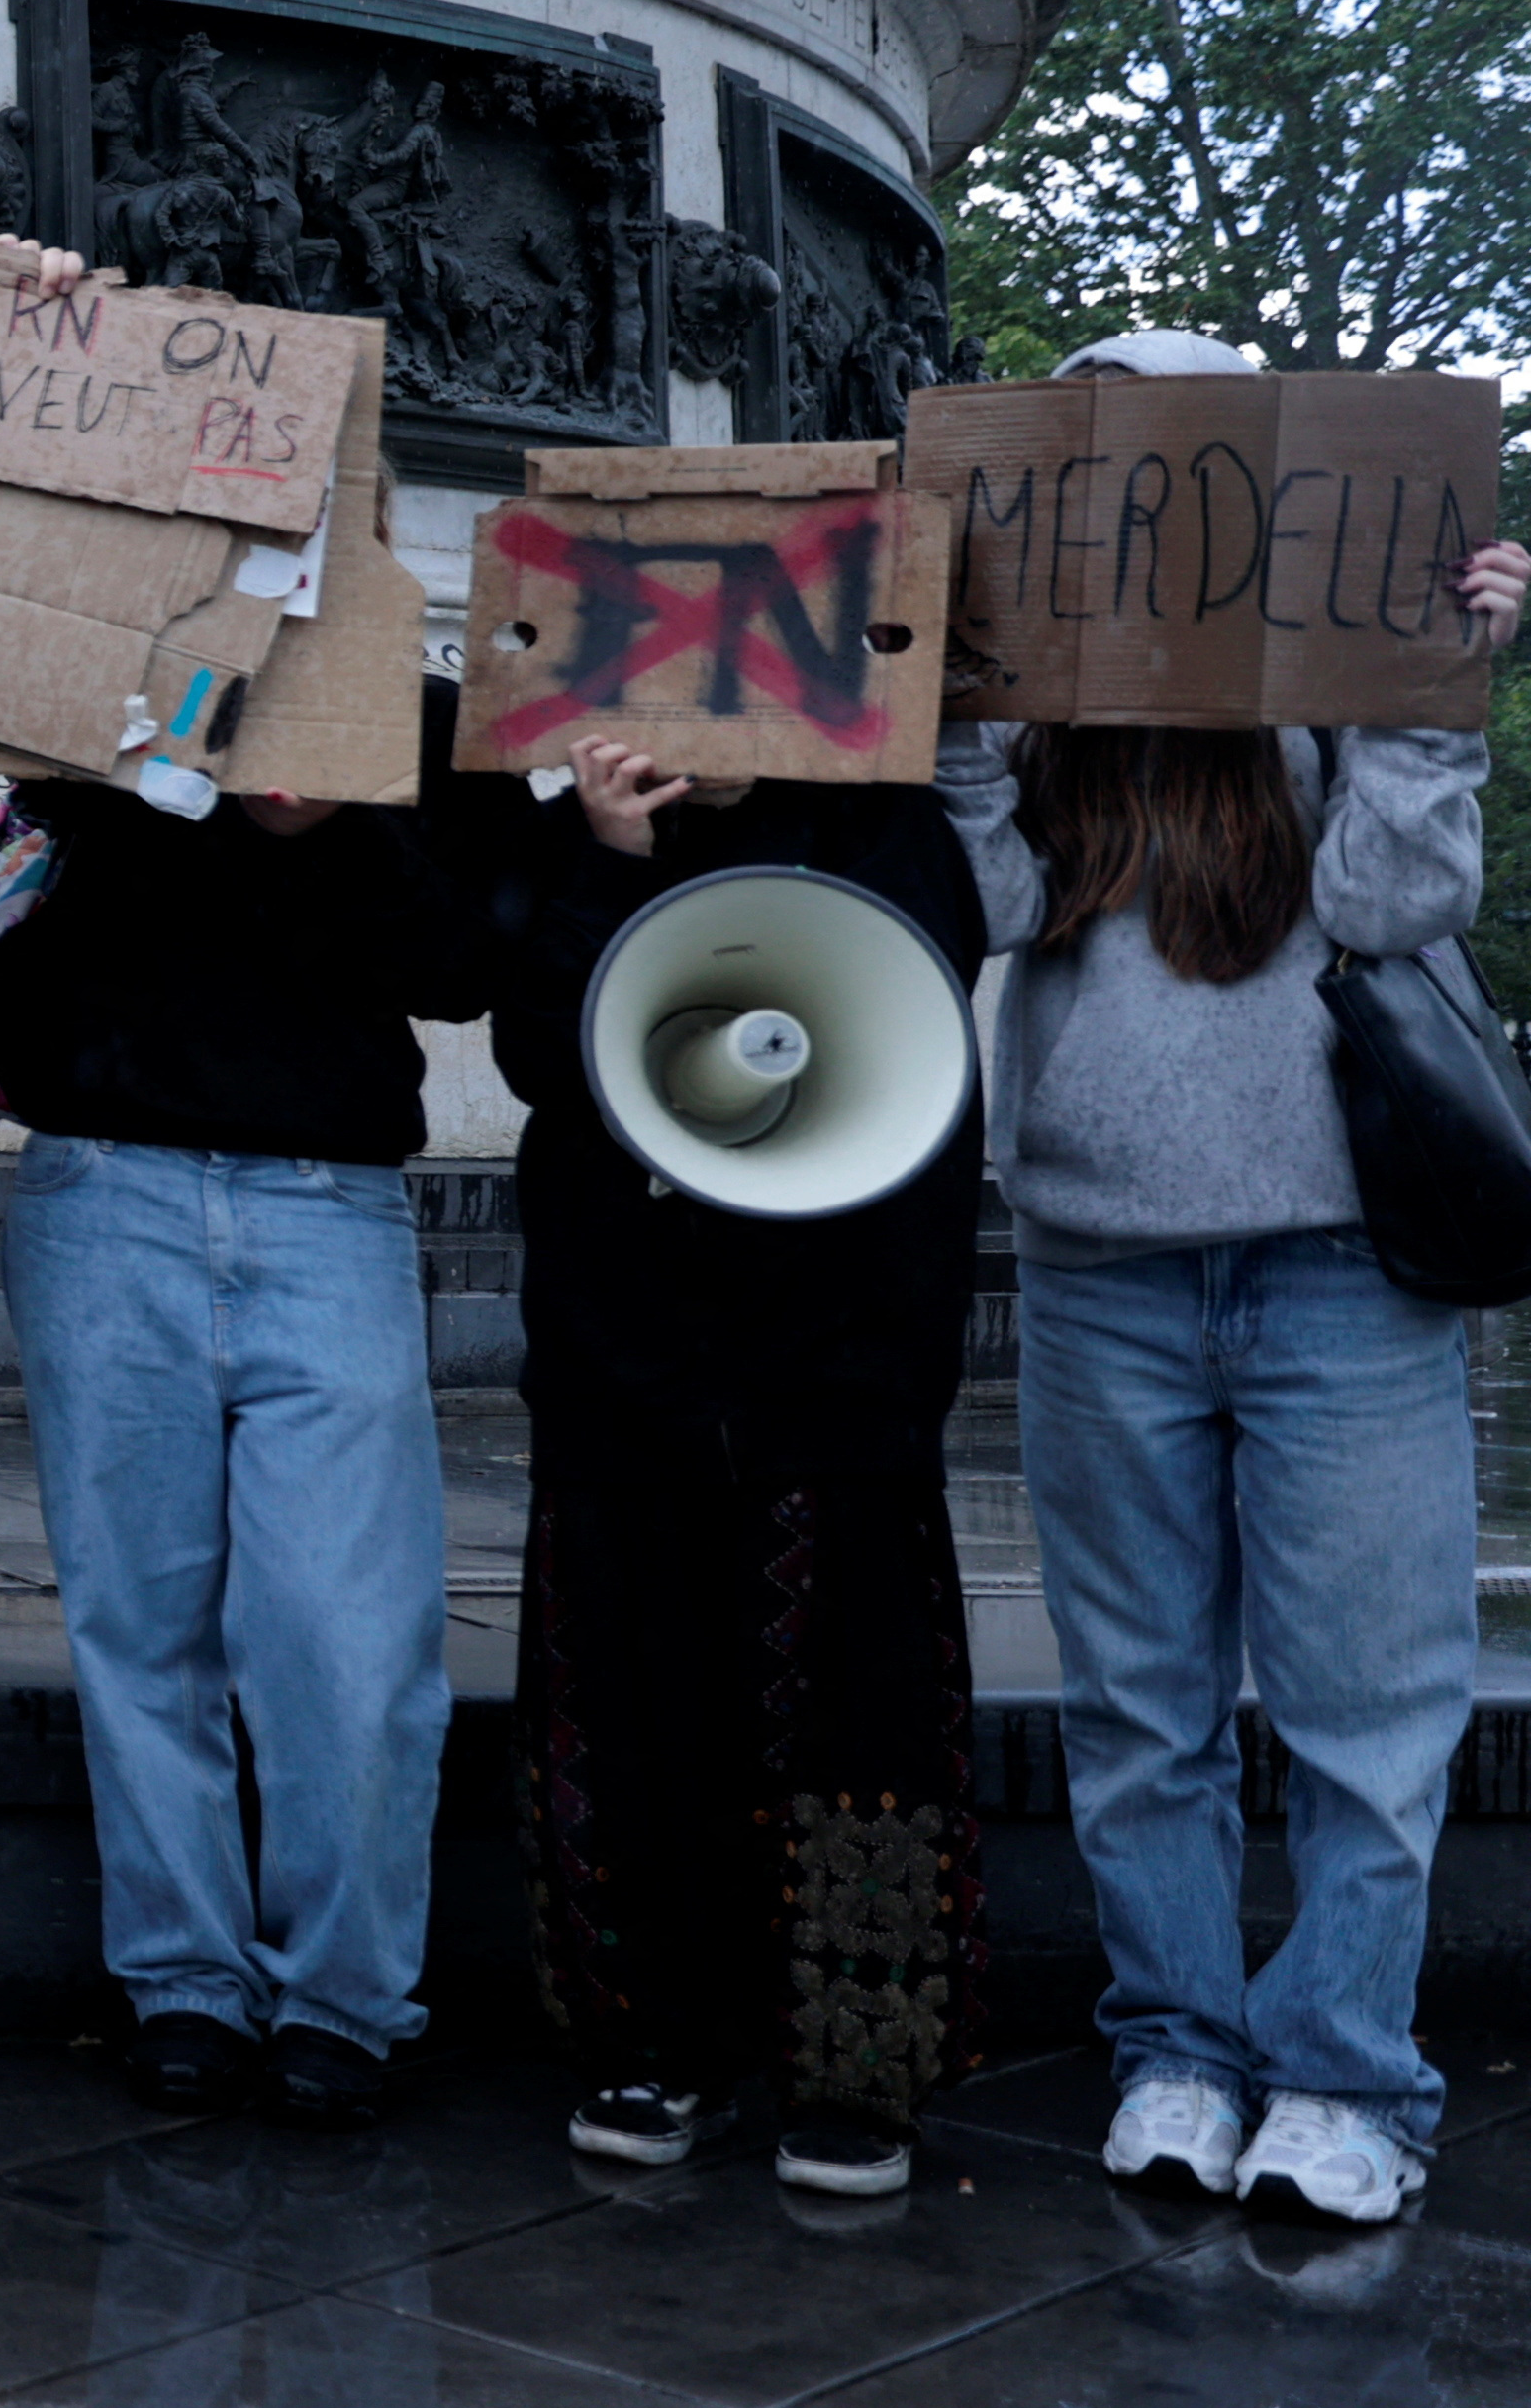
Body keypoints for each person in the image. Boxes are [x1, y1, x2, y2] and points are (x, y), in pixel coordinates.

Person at [941, 329, 1531, 2228]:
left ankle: (1351, 2075)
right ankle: (1178, 2050)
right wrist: (955, 698)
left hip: (1342, 1259)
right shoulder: (1044, 696)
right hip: (1101, 1260)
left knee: (1370, 1701)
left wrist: (1437, 690)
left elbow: (1394, 908)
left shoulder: (1338, 648)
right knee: (1138, 1705)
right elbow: (994, 904)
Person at [0, 684, 498, 2129]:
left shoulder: (422, 713)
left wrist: (333, 817)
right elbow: (26, 921)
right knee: (140, 1622)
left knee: (348, 1626)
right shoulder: (115, 682)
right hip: (103, 1182)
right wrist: (157, 766)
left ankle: (341, 1993)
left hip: (325, 1198)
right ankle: (185, 1980)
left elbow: (462, 964)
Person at [472, 737, 990, 2199]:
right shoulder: (585, 825)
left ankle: (856, 2073)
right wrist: (608, 861)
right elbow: (535, 1053)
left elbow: (908, 1042)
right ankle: (653, 2044)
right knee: (629, 1714)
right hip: (624, 1366)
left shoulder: (890, 827)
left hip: (838, 1374)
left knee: (856, 1726)